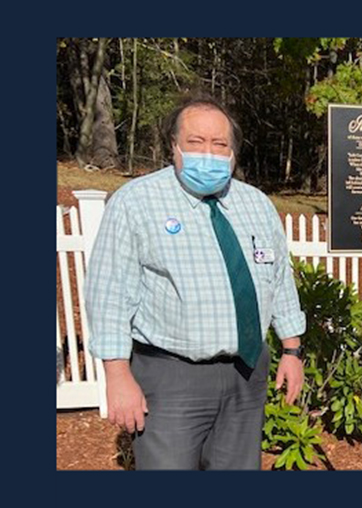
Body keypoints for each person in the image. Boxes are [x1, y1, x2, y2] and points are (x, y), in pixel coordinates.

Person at [84, 95, 306, 470]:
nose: (209, 153)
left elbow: (278, 278)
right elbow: (108, 294)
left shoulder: (256, 205)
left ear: (233, 152)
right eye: (195, 142)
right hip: (171, 377)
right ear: (174, 146)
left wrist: (291, 349)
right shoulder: (136, 202)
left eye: (219, 144)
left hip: (246, 373)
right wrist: (117, 375)